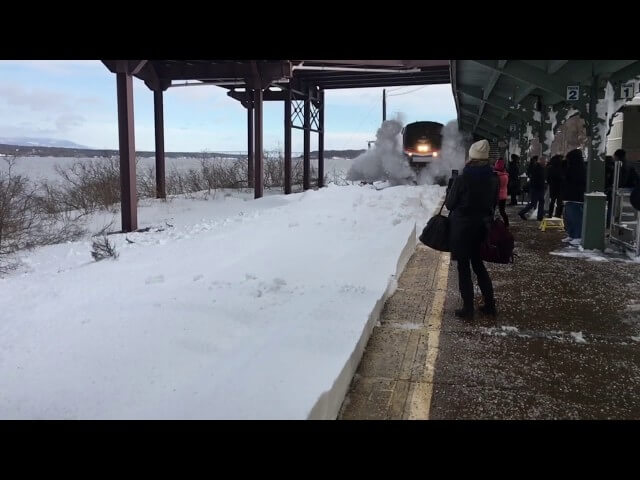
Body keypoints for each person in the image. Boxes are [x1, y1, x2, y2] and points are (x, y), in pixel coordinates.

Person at [445, 139, 499, 320]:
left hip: (462, 230)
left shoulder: (462, 179)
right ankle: (490, 305)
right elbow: (493, 204)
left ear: (471, 157)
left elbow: (450, 204)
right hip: (482, 228)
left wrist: (450, 188)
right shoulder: (494, 178)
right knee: (479, 265)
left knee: (463, 268)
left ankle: (468, 309)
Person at [562, 149, 587, 245]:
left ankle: (577, 236)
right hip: (572, 196)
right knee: (570, 217)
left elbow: (574, 181)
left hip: (576, 197)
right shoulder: (576, 167)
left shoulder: (577, 169)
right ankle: (572, 234)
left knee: (575, 217)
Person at [518, 155, 547, 221]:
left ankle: (540, 217)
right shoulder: (538, 168)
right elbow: (537, 179)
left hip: (538, 188)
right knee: (534, 203)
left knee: (540, 202)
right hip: (537, 188)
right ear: (541, 161)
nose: (546, 163)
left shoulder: (539, 168)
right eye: (545, 161)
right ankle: (522, 212)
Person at [494, 158, 509, 227]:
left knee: (492, 210)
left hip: (496, 195)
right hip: (503, 195)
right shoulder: (505, 175)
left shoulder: (496, 176)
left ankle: (492, 223)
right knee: (502, 211)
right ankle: (506, 223)